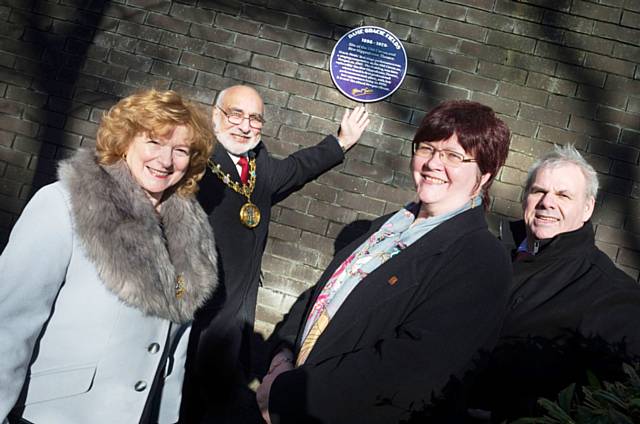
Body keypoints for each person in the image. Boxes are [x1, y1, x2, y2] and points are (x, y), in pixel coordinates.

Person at [256, 99, 513, 424]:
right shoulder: (389, 225)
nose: (434, 163)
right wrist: (283, 354)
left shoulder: (481, 259)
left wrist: (287, 395)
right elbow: (321, 293)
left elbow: (410, 368)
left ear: (485, 174)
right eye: (427, 149)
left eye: (453, 155)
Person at [0, 89, 218, 424]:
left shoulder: (192, 232)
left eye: (180, 150)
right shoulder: (64, 204)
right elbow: (10, 325)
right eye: (154, 142)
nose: (165, 160)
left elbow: (173, 350)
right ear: (125, 140)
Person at [181, 84, 369, 423]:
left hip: (238, 314)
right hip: (197, 310)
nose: (245, 125)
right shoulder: (193, 162)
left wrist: (340, 141)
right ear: (215, 116)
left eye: (255, 118)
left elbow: (297, 168)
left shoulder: (257, 167)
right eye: (235, 114)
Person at [470, 145, 640, 422]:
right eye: (539, 191)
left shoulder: (612, 294)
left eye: (563, 195)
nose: (547, 202)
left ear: (587, 208)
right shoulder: (488, 257)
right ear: (525, 198)